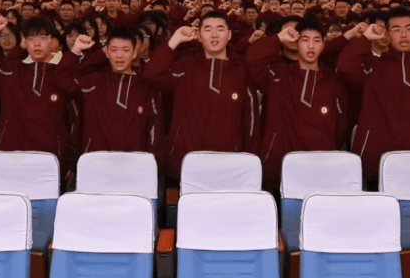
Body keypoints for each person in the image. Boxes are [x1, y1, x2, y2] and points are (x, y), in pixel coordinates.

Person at [338, 6, 410, 183]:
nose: (404, 35)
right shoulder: (373, 66)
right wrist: (367, 37)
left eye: (409, 28)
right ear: (387, 35)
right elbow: (345, 66)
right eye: (396, 30)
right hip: (376, 159)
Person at [142, 11, 258, 179]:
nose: (214, 34)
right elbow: (151, 75)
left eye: (220, 29)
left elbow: (250, 120)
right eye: (208, 29)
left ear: (229, 35)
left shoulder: (240, 71)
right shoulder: (184, 65)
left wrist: (249, 161)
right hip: (185, 160)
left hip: (229, 162)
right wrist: (174, 41)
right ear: (199, 35)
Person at [0, 15, 85, 169]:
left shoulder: (63, 74)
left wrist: (70, 162)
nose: (36, 43)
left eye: (43, 37)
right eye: (31, 38)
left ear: (52, 40)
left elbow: (75, 120)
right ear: (24, 42)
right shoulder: (10, 71)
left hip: (52, 160)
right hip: (10, 156)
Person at [246, 19, 348, 187]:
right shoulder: (277, 74)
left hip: (319, 166)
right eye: (305, 40)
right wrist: (278, 38)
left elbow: (340, 127)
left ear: (323, 44)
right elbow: (252, 58)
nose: (311, 46)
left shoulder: (333, 83)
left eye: (316, 40)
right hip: (277, 165)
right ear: (296, 43)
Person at [65, 27, 164, 159]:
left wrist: (152, 165)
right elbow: (63, 81)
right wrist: (75, 51)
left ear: (135, 53)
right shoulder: (94, 82)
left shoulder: (146, 87)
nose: (119, 55)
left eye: (126, 50)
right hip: (95, 161)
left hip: (134, 164)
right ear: (106, 52)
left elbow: (154, 132)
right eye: (113, 50)